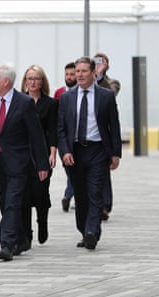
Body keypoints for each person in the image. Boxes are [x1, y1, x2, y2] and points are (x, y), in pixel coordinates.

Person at [0, 64, 49, 261]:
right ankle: (22, 238)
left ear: (5, 82)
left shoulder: (24, 103)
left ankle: (6, 244)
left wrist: (42, 165)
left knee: (13, 203)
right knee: (5, 202)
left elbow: (37, 136)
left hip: (19, 163)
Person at [57, 56, 122, 250]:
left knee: (95, 191)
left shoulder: (106, 96)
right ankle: (84, 230)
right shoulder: (66, 98)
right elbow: (61, 128)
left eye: (84, 71)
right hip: (75, 151)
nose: (79, 75)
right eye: (77, 71)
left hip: (98, 150)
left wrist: (116, 153)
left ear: (94, 73)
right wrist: (65, 151)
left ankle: (92, 231)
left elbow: (114, 126)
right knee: (81, 194)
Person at [19, 65, 58, 249]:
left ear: (42, 82)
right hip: (23, 153)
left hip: (41, 153)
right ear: (25, 82)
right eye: (29, 78)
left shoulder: (50, 104)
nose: (33, 82)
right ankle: (26, 233)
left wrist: (52, 153)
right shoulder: (19, 102)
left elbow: (52, 131)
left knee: (41, 192)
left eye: (36, 78)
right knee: (24, 195)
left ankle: (42, 222)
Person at [93, 52, 121, 221]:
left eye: (101, 62)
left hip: (103, 137)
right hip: (85, 137)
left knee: (103, 172)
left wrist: (100, 75)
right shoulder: (84, 81)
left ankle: (105, 206)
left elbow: (107, 93)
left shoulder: (112, 83)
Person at [54, 62, 77, 212]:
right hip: (63, 139)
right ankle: (69, 195)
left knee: (77, 170)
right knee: (69, 169)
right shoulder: (59, 93)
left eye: (72, 74)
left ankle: (69, 195)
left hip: (79, 139)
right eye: (67, 74)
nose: (69, 77)